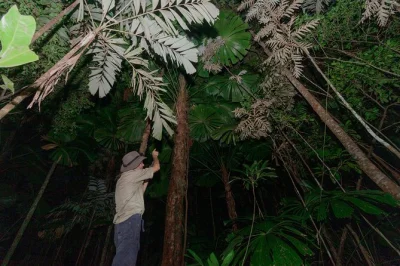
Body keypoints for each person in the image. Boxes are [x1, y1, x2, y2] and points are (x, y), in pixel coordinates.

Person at [112, 149, 160, 266]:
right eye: (141, 163)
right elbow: (157, 167)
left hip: (121, 225)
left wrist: (146, 178)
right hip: (129, 222)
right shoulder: (133, 175)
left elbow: (140, 192)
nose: (143, 164)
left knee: (123, 256)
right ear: (134, 166)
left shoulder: (124, 178)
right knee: (126, 260)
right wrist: (155, 157)